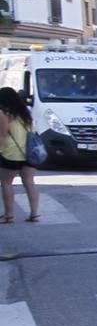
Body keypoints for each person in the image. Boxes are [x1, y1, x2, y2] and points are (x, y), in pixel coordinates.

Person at [0, 86, 40, 223]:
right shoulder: (25, 112)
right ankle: (34, 213)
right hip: (29, 152)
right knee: (29, 182)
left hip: (11, 153)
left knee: (6, 183)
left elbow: (2, 134)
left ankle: (8, 215)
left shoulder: (4, 113)